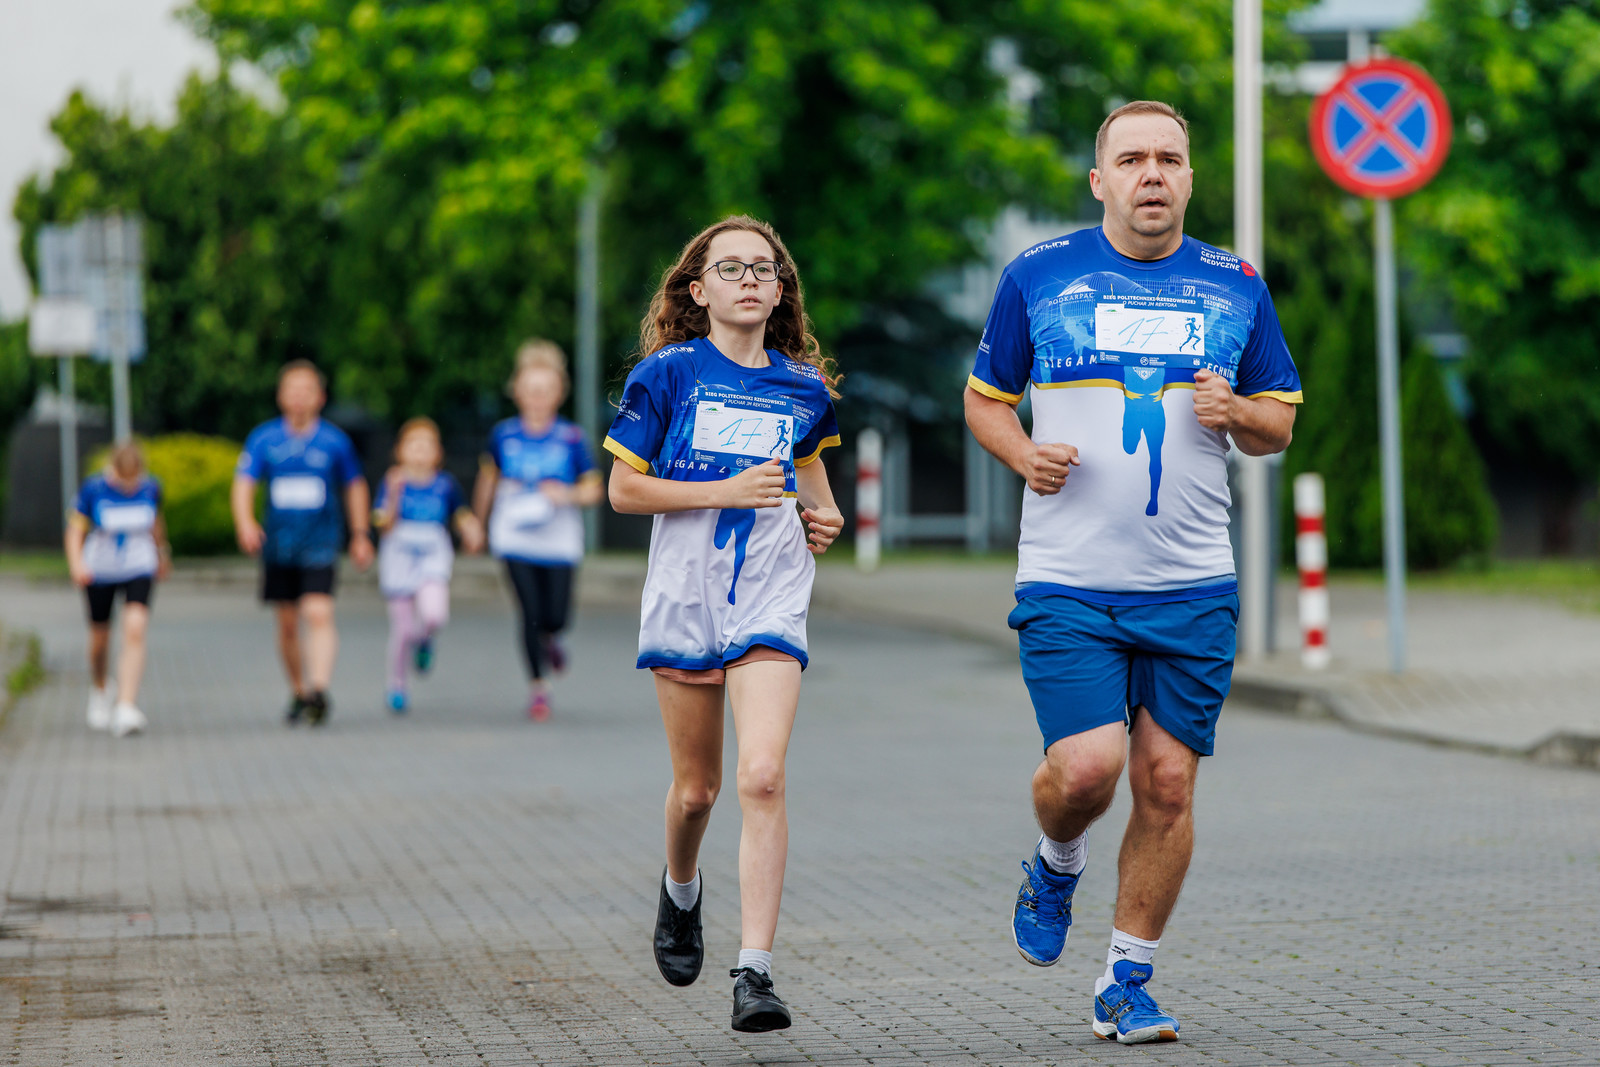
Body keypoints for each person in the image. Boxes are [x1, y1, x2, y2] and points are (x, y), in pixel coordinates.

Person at [964, 101, 1302, 1045]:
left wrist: (1237, 411)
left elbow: (1278, 421)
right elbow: (984, 400)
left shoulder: (1236, 285)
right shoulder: (1038, 275)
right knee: (1086, 768)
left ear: (1190, 178)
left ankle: (1126, 978)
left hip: (1193, 584)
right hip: (1070, 580)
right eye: (1132, 159)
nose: (1152, 173)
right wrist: (1023, 453)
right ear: (1099, 180)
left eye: (1169, 159)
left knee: (1167, 783)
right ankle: (1056, 857)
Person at [605, 215, 843, 1033]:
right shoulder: (667, 374)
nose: (748, 279)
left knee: (763, 775)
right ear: (698, 289)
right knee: (698, 789)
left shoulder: (804, 388)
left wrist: (824, 519)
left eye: (763, 269)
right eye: (730, 268)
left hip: (771, 591)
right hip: (687, 591)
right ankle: (681, 888)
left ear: (779, 292)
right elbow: (623, 491)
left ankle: (755, 971)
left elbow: (814, 488)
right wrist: (723, 490)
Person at [231, 360, 373, 726]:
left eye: (306, 390)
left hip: (320, 543)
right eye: (292, 390)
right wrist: (245, 523)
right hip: (279, 545)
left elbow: (354, 486)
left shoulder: (334, 441)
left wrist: (360, 534)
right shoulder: (264, 439)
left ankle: (318, 689)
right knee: (288, 624)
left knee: (319, 612)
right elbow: (244, 482)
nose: (299, 398)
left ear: (320, 397)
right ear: (280, 396)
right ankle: (298, 690)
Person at [471, 341, 602, 721]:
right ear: (517, 391)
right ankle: (538, 688)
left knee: (556, 616)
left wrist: (566, 494)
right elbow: (487, 481)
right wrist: (477, 524)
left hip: (559, 537)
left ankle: (551, 637)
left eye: (545, 390)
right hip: (514, 535)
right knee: (529, 611)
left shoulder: (572, 438)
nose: (538, 398)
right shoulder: (503, 435)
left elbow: (594, 489)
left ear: (559, 393)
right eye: (531, 390)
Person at [374, 417, 484, 713]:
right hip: (399, 555)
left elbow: (461, 515)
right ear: (400, 451)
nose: (420, 452)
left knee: (434, 614)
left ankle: (425, 640)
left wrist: (472, 531)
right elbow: (383, 524)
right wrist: (394, 493)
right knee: (402, 630)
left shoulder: (445, 485)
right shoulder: (392, 482)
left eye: (427, 446)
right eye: (414, 445)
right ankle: (397, 684)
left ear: (438, 453)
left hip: (433, 554)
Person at [64, 440, 170, 737]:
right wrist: (76, 564)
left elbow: (156, 522)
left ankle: (126, 705)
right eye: (123, 480)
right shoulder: (93, 489)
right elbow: (75, 530)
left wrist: (162, 553)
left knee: (135, 628)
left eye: (133, 479)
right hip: (100, 570)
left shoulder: (151, 488)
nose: (128, 486)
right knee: (100, 638)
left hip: (138, 566)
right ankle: (100, 688)